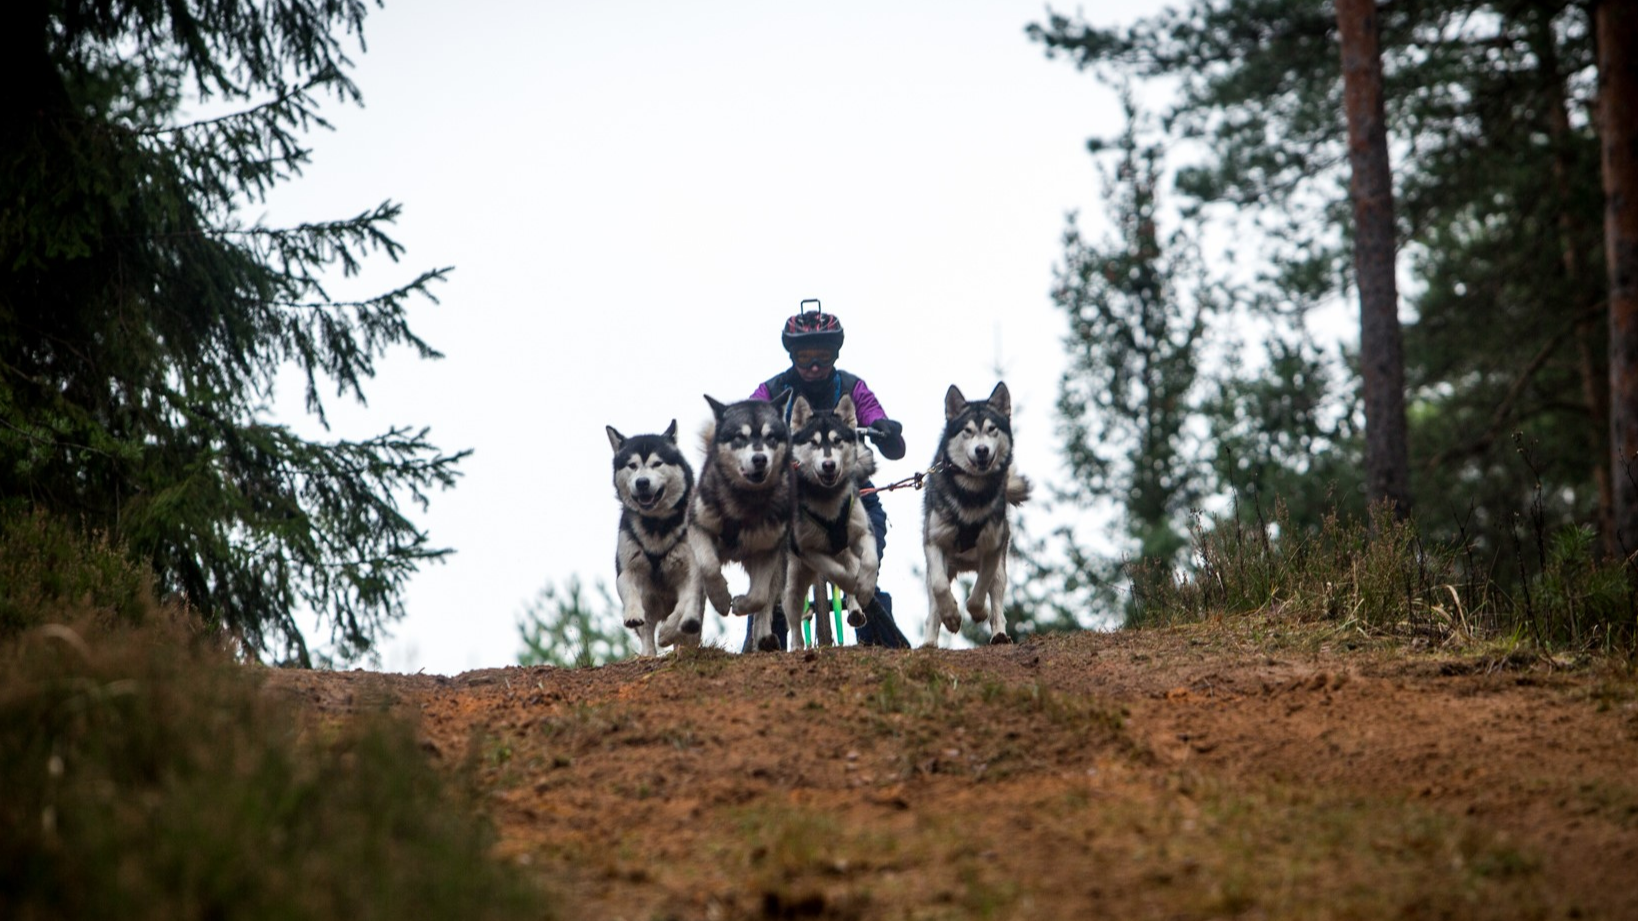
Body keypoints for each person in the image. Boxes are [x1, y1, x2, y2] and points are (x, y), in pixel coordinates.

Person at [744, 302, 912, 650]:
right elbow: (750, 416)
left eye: (823, 355)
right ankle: (762, 642)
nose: (815, 365)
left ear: (836, 354)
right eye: (805, 357)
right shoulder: (774, 389)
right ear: (792, 357)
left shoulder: (852, 387)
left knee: (869, 553)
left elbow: (879, 422)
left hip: (852, 495)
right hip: (791, 500)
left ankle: (878, 643)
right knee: (772, 569)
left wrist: (883, 427)